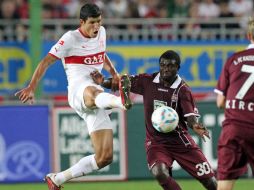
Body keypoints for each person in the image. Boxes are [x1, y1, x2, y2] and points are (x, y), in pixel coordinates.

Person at [15, 3, 132, 190]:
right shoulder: (70, 38)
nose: (96, 26)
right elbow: (45, 62)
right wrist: (31, 87)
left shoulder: (102, 32)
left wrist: (115, 73)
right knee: (93, 92)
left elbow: (102, 53)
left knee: (105, 157)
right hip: (79, 91)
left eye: (99, 22)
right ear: (82, 21)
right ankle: (121, 102)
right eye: (92, 22)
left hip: (96, 98)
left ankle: (57, 179)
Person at [91, 50, 217, 190]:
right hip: (156, 143)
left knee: (210, 182)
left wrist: (196, 126)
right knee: (159, 172)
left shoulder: (183, 90)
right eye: (162, 65)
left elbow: (190, 118)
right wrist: (103, 81)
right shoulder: (147, 81)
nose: (166, 69)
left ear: (178, 68)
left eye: (170, 66)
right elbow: (120, 83)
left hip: (180, 142)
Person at [214, 17, 254, 190]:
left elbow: (220, 101)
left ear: (249, 35)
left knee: (224, 185)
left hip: (233, 129)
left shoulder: (234, 59)